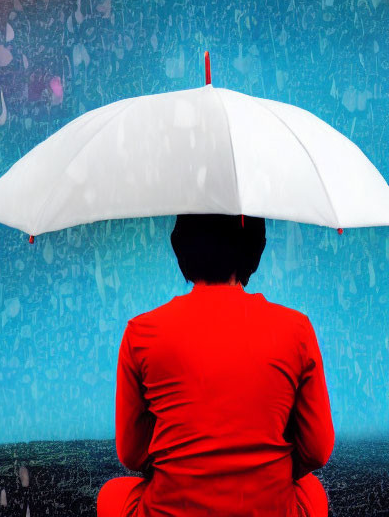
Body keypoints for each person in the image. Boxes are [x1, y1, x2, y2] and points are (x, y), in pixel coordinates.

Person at [97, 213, 334, 517]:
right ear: (253, 249)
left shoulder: (141, 332)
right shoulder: (296, 329)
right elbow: (318, 450)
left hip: (169, 508)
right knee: (312, 491)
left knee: (111, 495)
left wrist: (187, 467)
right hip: (270, 508)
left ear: (181, 246)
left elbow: (131, 454)